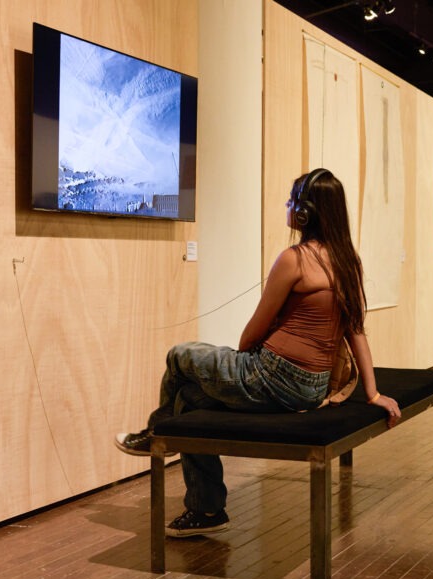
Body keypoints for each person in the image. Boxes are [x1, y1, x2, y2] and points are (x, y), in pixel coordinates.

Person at [114, 168, 401, 536]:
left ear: (305, 213)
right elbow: (356, 329)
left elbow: (254, 331)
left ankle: (158, 434)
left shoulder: (293, 259)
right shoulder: (348, 260)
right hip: (312, 387)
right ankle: (206, 510)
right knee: (188, 398)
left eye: (292, 200)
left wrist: (244, 359)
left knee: (179, 355)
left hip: (272, 374)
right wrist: (373, 393)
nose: (287, 205)